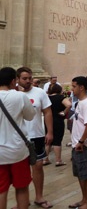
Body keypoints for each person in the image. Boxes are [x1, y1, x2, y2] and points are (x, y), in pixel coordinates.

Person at [17, 67, 54, 209]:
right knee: (21, 169)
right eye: (24, 78)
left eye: (29, 78)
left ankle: (39, 197)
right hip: (20, 137)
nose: (28, 81)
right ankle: (23, 200)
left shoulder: (40, 93)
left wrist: (49, 132)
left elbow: (48, 112)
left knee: (38, 167)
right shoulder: (14, 94)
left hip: (37, 135)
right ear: (18, 79)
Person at [0, 67, 36, 209]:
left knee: (1, 189)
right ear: (13, 81)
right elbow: (30, 116)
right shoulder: (20, 96)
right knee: (21, 187)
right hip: (18, 151)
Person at [69, 76, 87, 209]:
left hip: (83, 146)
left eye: (74, 86)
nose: (72, 89)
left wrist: (81, 141)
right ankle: (84, 200)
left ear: (81, 87)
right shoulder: (80, 102)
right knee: (81, 174)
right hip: (77, 145)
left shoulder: (86, 103)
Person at [42, 84, 71, 167]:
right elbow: (69, 104)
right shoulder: (60, 97)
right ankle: (58, 160)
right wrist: (64, 112)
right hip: (58, 119)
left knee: (48, 140)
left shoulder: (46, 98)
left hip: (47, 120)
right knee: (57, 140)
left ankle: (45, 159)